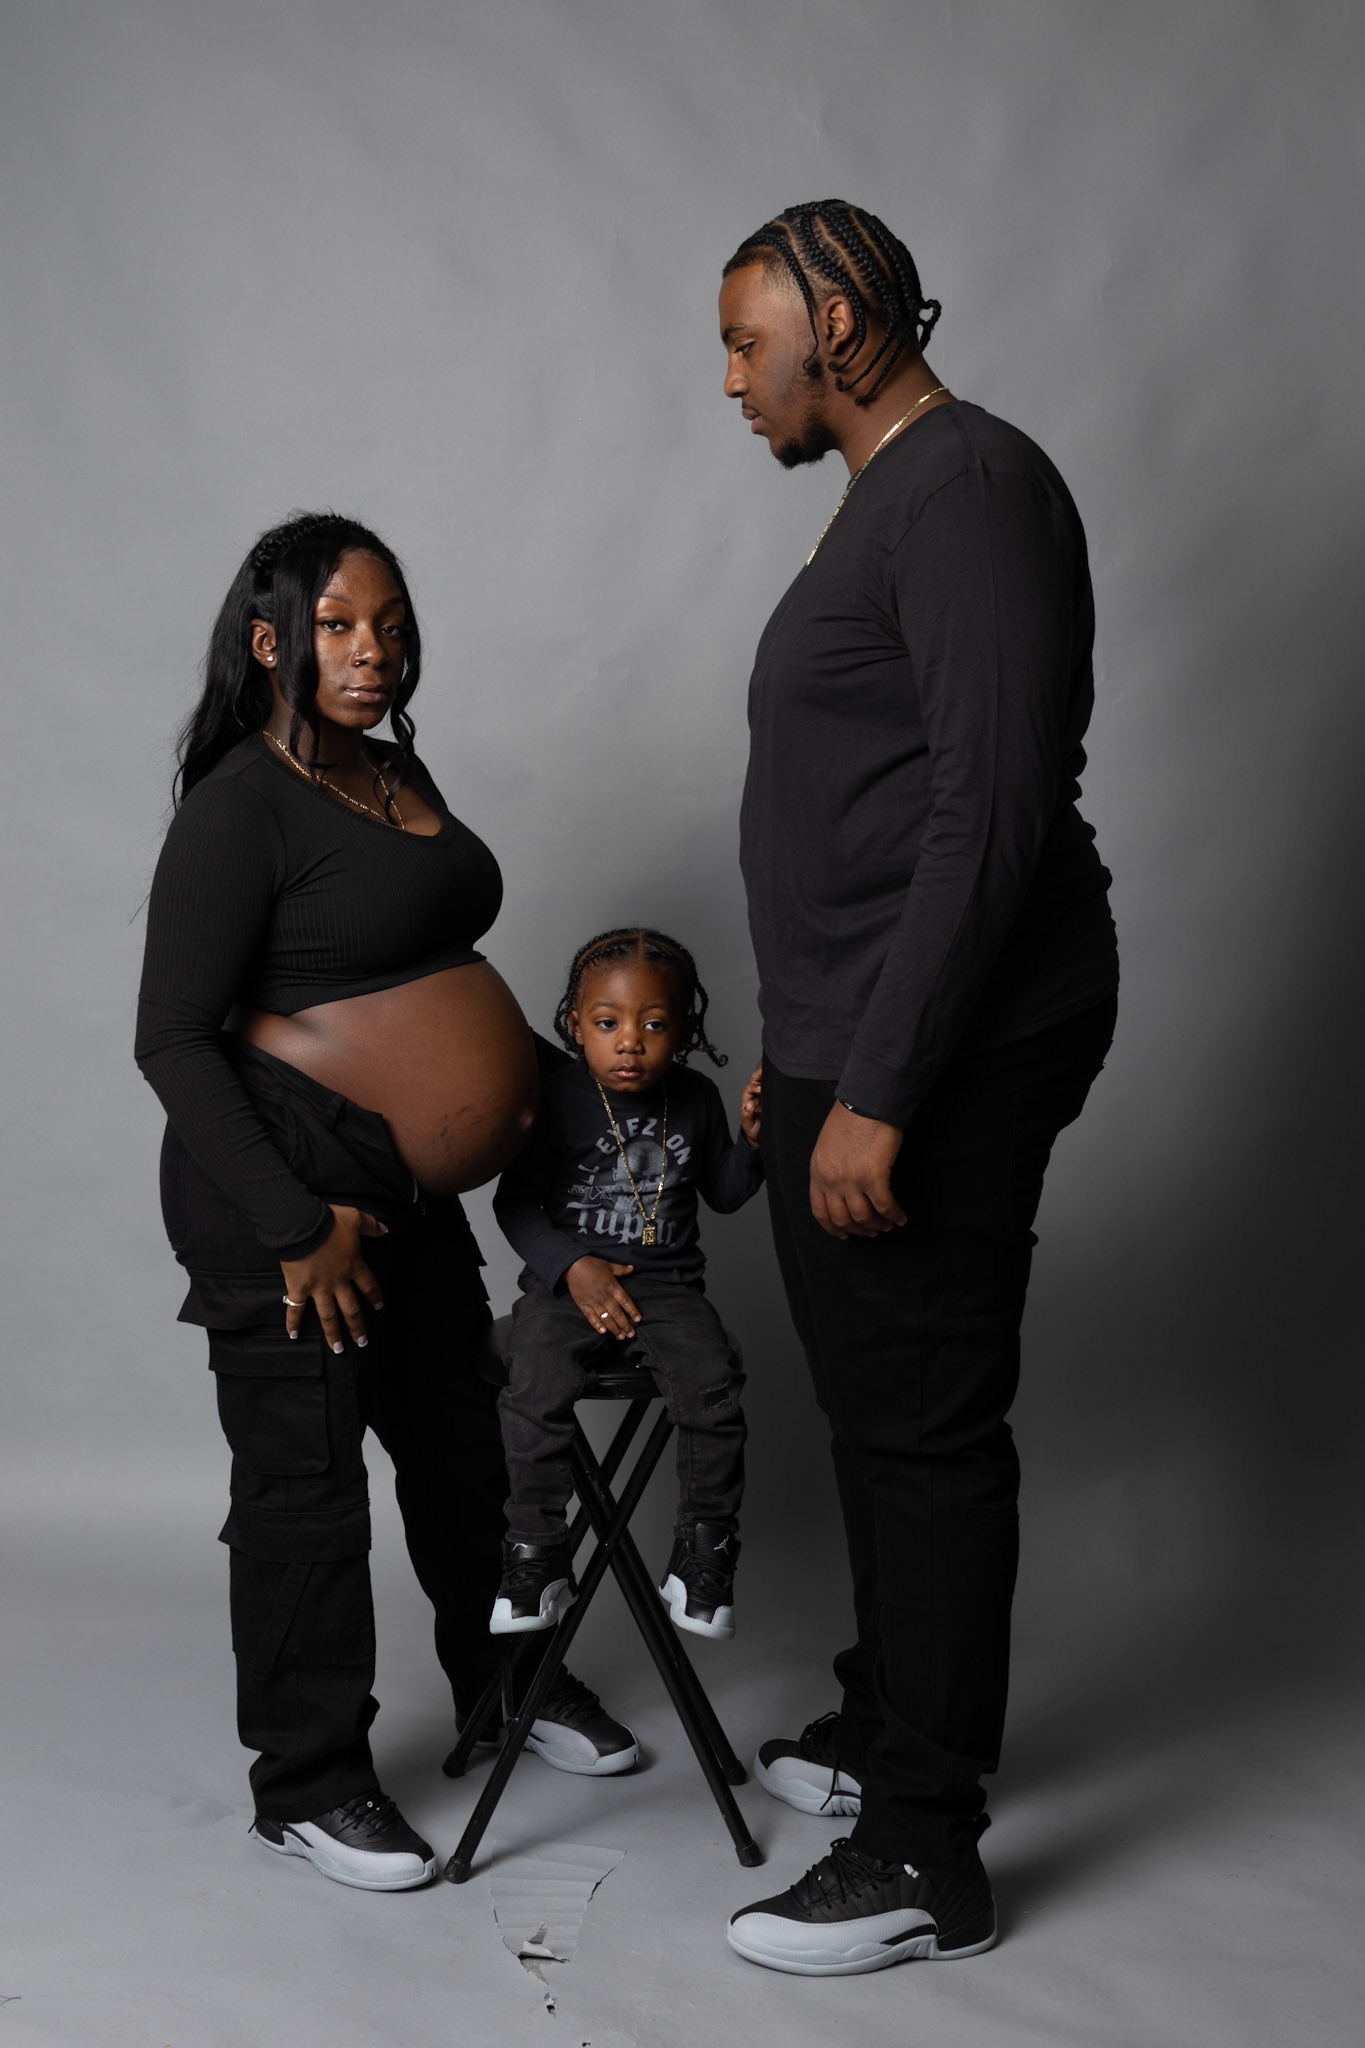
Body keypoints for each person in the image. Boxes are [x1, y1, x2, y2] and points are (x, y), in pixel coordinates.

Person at [715, 202, 1120, 1974]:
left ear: (846, 325)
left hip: (948, 1040)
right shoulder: (888, 496)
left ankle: (923, 1854)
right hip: (859, 1026)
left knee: (924, 1425)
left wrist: (876, 1086)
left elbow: (992, 807)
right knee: (873, 1404)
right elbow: (860, 809)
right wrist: (802, 1042)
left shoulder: (965, 489)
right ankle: (894, 1725)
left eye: (748, 343)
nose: (733, 379)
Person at [135, 512, 636, 1895]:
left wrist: (591, 1103)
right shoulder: (239, 807)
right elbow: (171, 1038)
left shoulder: (393, 770)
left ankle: (507, 1685)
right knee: (306, 1493)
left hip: (402, 1193)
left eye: (392, 625)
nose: (373, 652)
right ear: (270, 642)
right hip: (287, 1192)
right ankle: (307, 1783)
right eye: (340, 626)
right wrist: (297, 1226)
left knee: (469, 1448)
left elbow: (419, 973)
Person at [491, 928, 764, 1641]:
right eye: (608, 1023)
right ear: (574, 1025)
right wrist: (572, 1266)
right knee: (535, 1383)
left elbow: (725, 1193)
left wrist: (752, 1142)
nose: (630, 1043)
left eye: (654, 1025)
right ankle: (536, 1552)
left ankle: (703, 1553)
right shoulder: (554, 1099)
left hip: (667, 1289)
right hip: (565, 1287)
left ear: (685, 1032)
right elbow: (514, 1204)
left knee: (714, 1387)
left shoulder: (696, 1097)